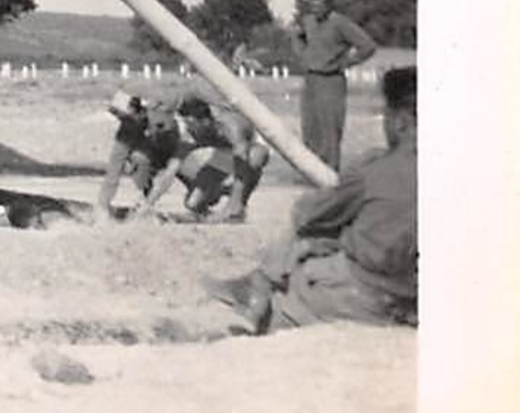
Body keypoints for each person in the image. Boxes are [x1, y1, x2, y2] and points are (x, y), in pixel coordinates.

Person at [204, 66, 417, 333]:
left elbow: (309, 213)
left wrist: (353, 176)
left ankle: (257, 291)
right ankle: (258, 286)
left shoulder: (378, 170)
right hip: (413, 298)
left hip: (362, 294)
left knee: (304, 237)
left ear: (400, 122)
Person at [133, 94, 270, 222]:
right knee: (192, 204)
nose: (189, 129)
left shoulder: (230, 125)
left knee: (253, 158)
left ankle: (236, 208)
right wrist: (148, 204)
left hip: (252, 148)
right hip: (222, 154)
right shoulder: (191, 132)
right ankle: (223, 191)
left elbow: (241, 158)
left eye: (192, 125)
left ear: (205, 121)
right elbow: (170, 171)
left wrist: (233, 204)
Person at [292, 0, 377, 171]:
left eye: (319, 5)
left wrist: (347, 62)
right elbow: (297, 36)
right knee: (310, 128)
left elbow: (368, 46)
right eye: (312, 5)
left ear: (329, 5)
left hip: (331, 81)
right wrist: (302, 54)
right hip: (310, 81)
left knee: (330, 128)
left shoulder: (341, 23)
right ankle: (311, 172)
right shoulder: (308, 21)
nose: (315, 10)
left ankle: (329, 173)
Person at [94, 89, 181, 221]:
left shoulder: (165, 118)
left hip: (184, 160)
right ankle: (146, 200)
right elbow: (114, 169)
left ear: (136, 110)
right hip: (158, 160)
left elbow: (179, 156)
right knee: (137, 159)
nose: (121, 120)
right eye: (118, 117)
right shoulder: (127, 129)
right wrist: (103, 206)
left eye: (123, 115)